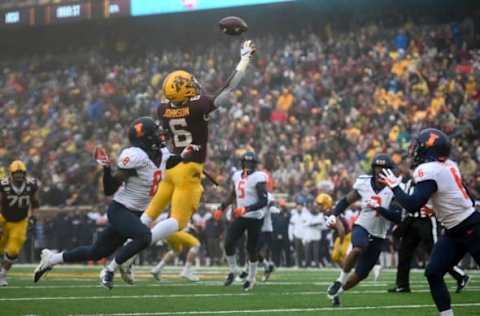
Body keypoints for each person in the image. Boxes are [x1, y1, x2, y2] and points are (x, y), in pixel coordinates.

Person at [33, 117, 179, 289]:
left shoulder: (162, 154)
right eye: (154, 132)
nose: (159, 135)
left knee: (97, 251)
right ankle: (110, 270)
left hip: (135, 213)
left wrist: (192, 151)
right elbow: (110, 189)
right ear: (145, 138)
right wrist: (107, 170)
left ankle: (52, 259)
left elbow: (176, 160)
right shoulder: (135, 156)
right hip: (121, 210)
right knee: (144, 236)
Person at [138, 41, 256, 251]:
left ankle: (125, 255)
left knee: (150, 214)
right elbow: (228, 87)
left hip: (171, 167)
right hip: (189, 168)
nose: (193, 85)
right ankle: (137, 246)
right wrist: (244, 59)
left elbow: (165, 135)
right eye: (188, 84)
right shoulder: (198, 105)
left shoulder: (162, 108)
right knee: (178, 221)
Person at [379, 128, 480, 316]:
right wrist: (438, 207)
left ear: (429, 149)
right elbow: (463, 195)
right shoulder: (449, 165)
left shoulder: (428, 170)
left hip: (471, 228)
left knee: (434, 272)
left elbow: (411, 204)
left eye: (419, 147)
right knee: (433, 273)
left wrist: (394, 185)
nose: (415, 151)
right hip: (454, 230)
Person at [327, 154, 397, 307]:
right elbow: (346, 200)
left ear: (390, 171)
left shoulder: (396, 188)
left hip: (379, 234)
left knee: (361, 275)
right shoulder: (364, 183)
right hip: (362, 226)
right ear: (373, 169)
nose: (380, 172)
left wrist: (379, 208)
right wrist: (334, 214)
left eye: (384, 169)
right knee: (358, 247)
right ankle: (339, 281)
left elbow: (397, 217)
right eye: (378, 168)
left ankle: (338, 293)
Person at [388, 163, 470, 294]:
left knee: (435, 252)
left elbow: (438, 199)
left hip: (426, 220)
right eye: (413, 169)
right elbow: (405, 203)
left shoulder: (429, 183)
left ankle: (460, 275)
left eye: (416, 170)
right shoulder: (408, 183)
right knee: (404, 252)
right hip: (411, 220)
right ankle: (402, 284)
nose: (415, 172)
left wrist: (434, 211)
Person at [213, 151, 269, 291]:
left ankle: (251, 278)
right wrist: (222, 207)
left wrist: (246, 209)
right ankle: (233, 270)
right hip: (241, 216)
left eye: (250, 163)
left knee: (251, 249)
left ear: (255, 164)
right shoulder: (237, 175)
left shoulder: (259, 177)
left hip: (255, 217)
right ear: (242, 163)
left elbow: (264, 201)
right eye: (246, 162)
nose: (248, 165)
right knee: (228, 243)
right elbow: (234, 194)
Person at [0, 160, 40, 286]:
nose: (19, 176)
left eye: (21, 174)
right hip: (3, 218)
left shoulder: (31, 185)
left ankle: (2, 275)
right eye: (16, 174)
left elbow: (35, 202)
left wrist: (33, 216)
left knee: (13, 250)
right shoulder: (3, 185)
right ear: (11, 174)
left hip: (20, 221)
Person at [151, 217, 200, 282]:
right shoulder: (182, 213)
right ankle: (186, 271)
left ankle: (157, 269)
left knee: (176, 251)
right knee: (196, 244)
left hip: (168, 233)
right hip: (175, 231)